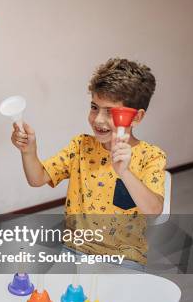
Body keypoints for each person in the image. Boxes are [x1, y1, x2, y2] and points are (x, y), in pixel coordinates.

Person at [10, 58, 166, 268]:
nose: (98, 120)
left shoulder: (151, 156)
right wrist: (29, 151)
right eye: (94, 107)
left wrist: (125, 172)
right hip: (74, 249)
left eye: (110, 111)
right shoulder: (81, 146)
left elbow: (154, 210)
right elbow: (37, 179)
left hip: (124, 258)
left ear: (136, 117)